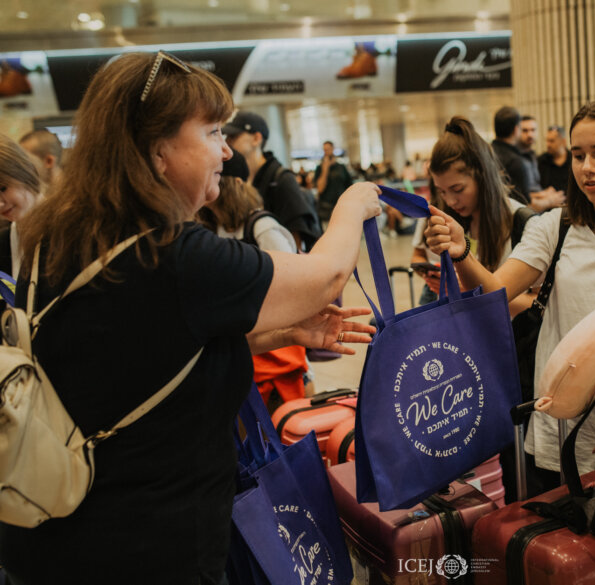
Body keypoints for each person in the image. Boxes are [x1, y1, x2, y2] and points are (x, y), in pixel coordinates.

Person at [0, 50, 381, 585]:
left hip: (54, 537)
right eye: (211, 132)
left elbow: (139, 356)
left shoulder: (57, 239)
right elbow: (324, 275)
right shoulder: (173, 255)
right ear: (156, 149)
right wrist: (352, 202)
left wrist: (279, 333)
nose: (226, 150)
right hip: (148, 546)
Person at [426, 98, 595, 496]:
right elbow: (496, 292)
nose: (586, 167)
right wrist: (462, 253)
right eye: (578, 155)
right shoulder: (554, 227)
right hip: (557, 423)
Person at [197, 149, 313, 411]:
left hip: (277, 356)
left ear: (232, 184)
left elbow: (296, 288)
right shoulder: (210, 229)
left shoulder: (262, 227)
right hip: (239, 351)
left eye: (215, 177)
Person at [411, 117, 535, 312]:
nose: (451, 201)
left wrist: (471, 291)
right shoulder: (444, 215)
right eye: (442, 191)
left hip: (506, 336)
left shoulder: (524, 222)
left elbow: (538, 305)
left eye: (458, 189)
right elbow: (418, 256)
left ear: (482, 176)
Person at [223, 111, 321, 252]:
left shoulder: (282, 179)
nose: (228, 142)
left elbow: (296, 240)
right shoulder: (240, 179)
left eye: (234, 136)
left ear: (257, 138)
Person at [491, 106, 564, 212]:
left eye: (533, 130)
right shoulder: (515, 161)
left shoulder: (489, 152)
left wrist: (541, 194)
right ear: (517, 129)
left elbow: (514, 192)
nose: (530, 135)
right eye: (524, 130)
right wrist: (549, 201)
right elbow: (524, 205)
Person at [0, 133, 43, 278]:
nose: (0, 203)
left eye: (3, 188)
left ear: (25, 172)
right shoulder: (4, 241)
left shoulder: (72, 230)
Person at [314, 140, 353, 223]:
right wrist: (325, 169)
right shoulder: (319, 168)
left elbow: (349, 185)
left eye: (328, 149)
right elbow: (320, 189)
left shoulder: (341, 167)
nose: (326, 152)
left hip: (342, 206)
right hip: (326, 209)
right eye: (325, 150)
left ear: (333, 149)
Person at [537, 124, 571, 193]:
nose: (548, 145)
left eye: (552, 141)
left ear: (563, 142)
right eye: (547, 141)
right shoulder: (541, 161)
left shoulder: (574, 160)